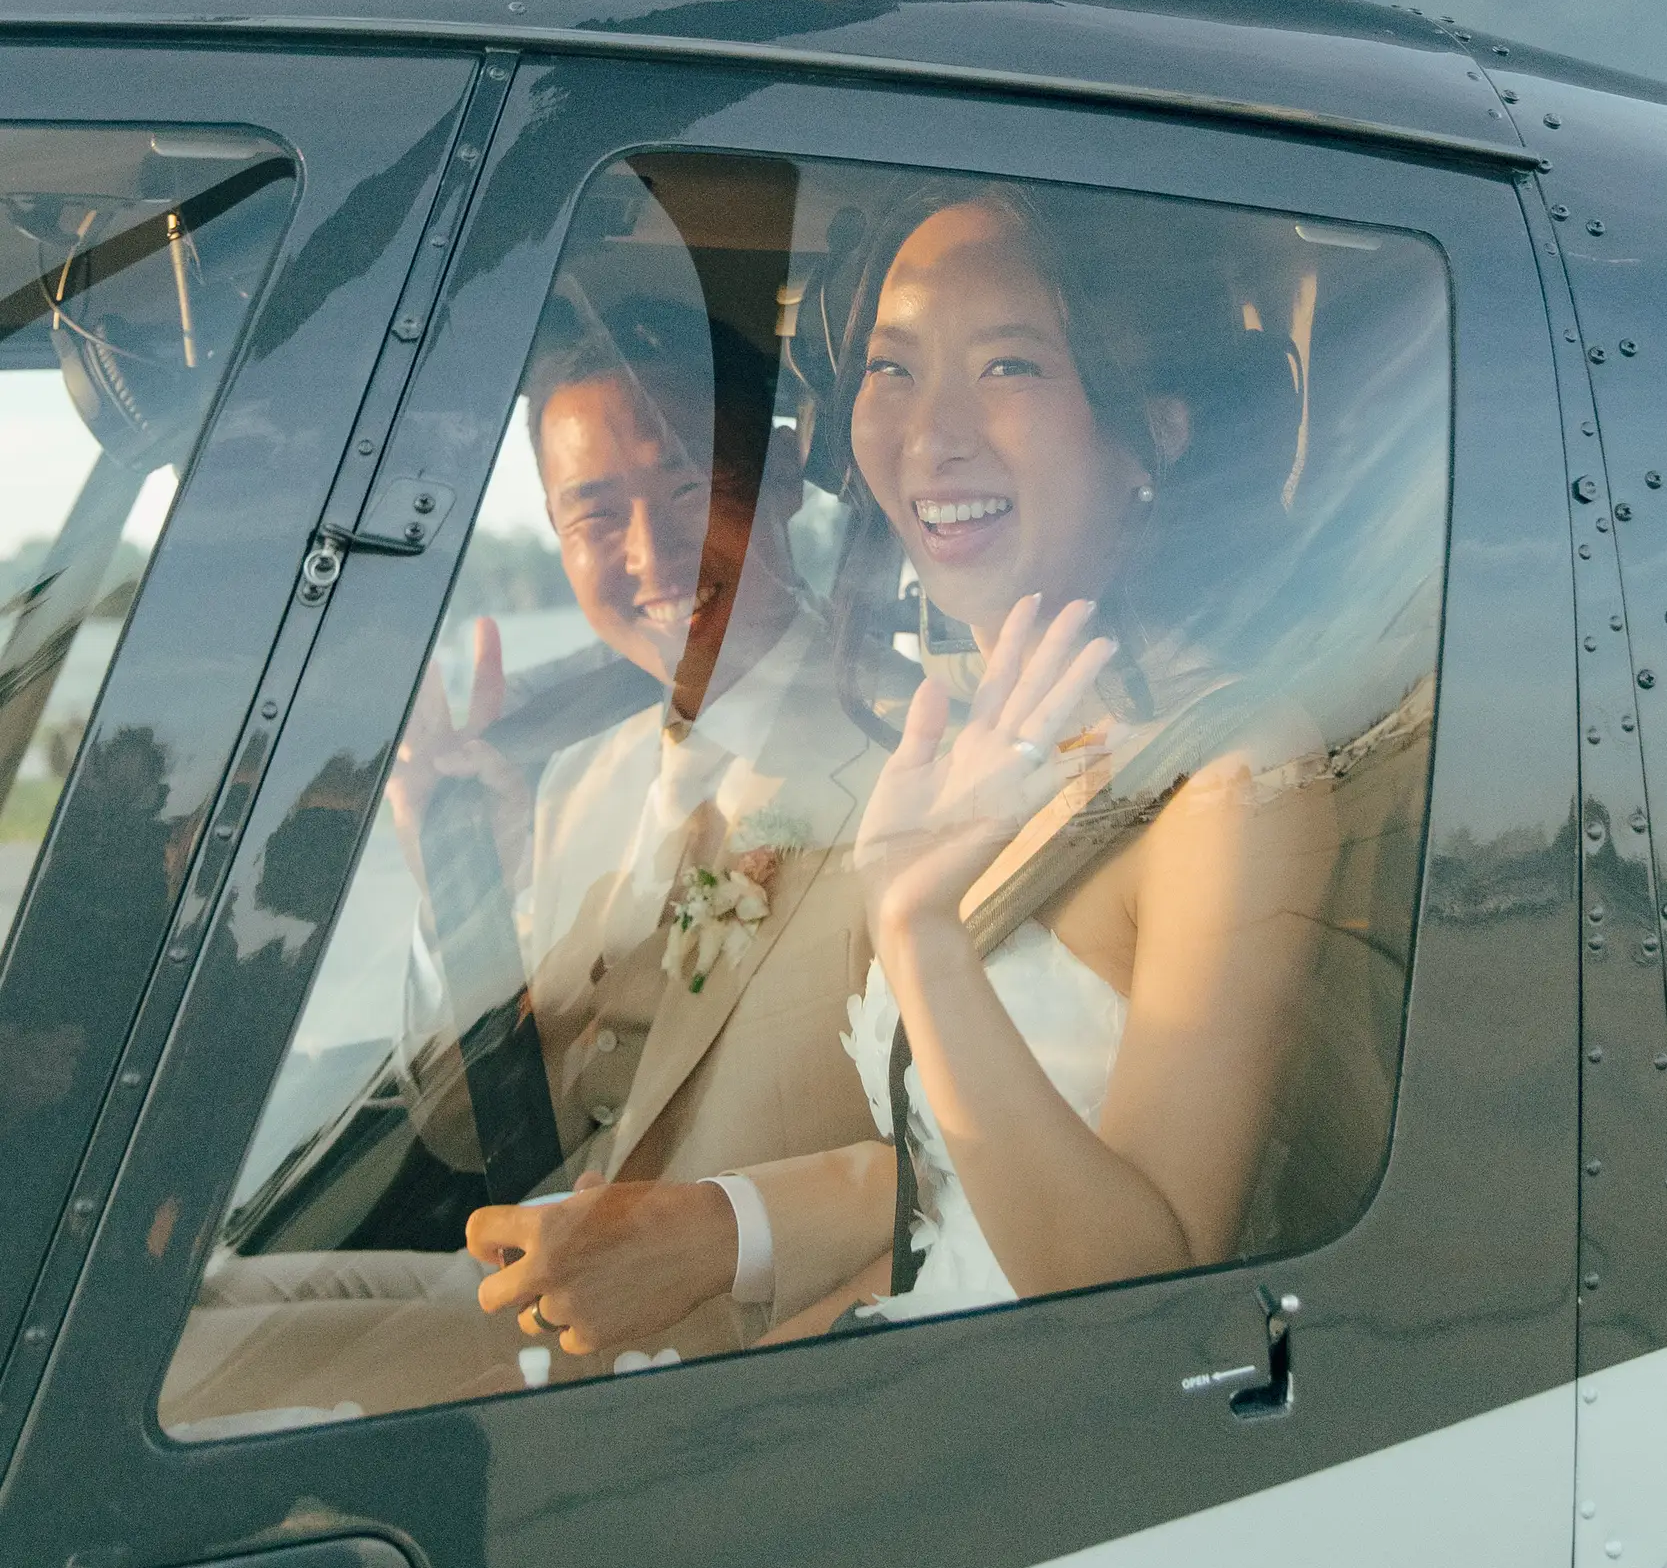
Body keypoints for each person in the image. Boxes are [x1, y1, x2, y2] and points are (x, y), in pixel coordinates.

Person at [483, 188, 1336, 1347]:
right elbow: (937, 1180)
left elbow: (1146, 1291)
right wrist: (710, 1233)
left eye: (1008, 366)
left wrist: (918, 933)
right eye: (891, 368)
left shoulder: (1230, 778)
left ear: (1151, 427)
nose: (929, 435)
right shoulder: (995, 742)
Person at [161, 294, 888, 1430]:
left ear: (786, 474)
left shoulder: (899, 761)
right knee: (167, 1326)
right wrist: (464, 884)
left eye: (692, 489)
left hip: (735, 1358)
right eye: (596, 516)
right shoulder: (582, 782)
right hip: (554, 1304)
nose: (652, 555)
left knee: (178, 1399)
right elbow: (469, 1132)